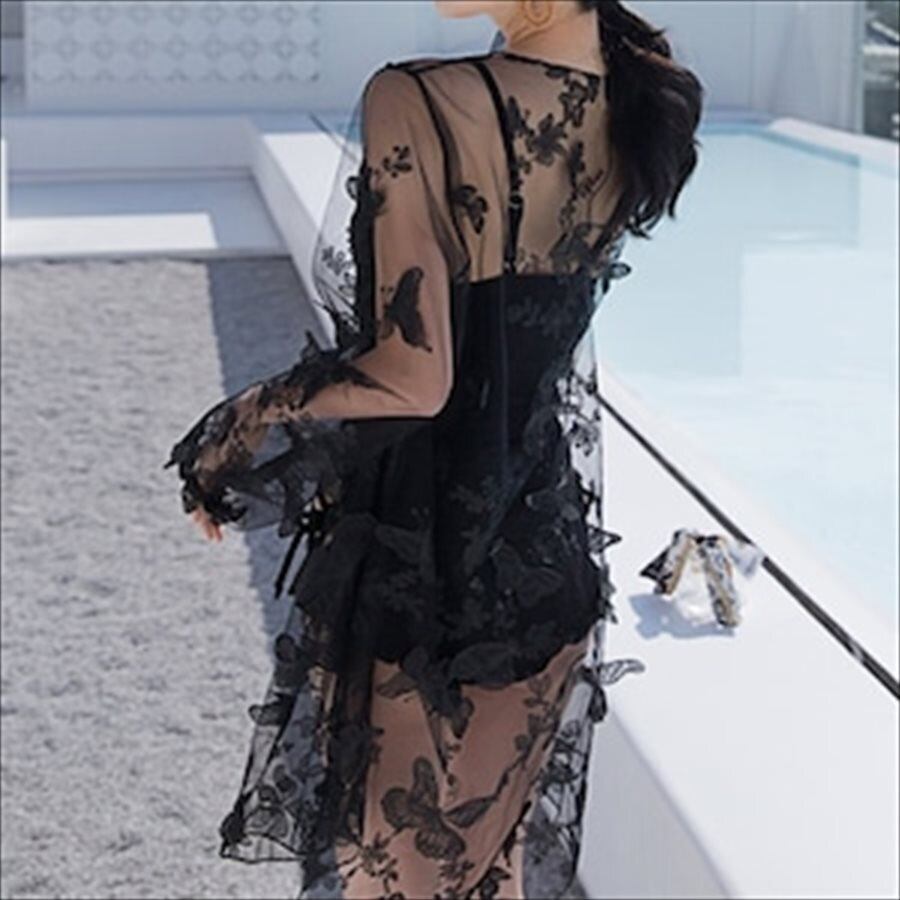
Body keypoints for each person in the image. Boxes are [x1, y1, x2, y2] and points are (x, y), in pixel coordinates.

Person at [163, 1, 703, 897]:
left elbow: (413, 379)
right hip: (545, 560)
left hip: (423, 566)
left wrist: (250, 414)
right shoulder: (631, 91)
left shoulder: (422, 100)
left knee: (391, 879)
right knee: (491, 874)